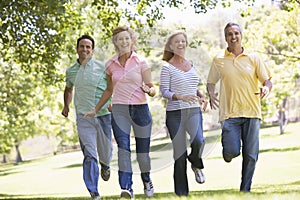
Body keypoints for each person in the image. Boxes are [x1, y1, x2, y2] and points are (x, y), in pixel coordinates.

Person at [84, 26, 156, 199]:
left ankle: (147, 179)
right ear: (115, 43)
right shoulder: (110, 65)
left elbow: (153, 88)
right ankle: (126, 188)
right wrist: (96, 108)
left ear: (131, 41)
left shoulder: (141, 62)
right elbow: (109, 90)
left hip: (140, 109)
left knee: (142, 153)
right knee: (123, 149)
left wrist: (149, 90)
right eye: (120, 39)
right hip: (119, 110)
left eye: (126, 38)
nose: (124, 42)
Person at [206, 22, 272, 192]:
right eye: (229, 34)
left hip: (251, 111)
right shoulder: (219, 60)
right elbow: (211, 82)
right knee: (232, 151)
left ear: (241, 36)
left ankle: (245, 190)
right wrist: (211, 93)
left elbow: (267, 80)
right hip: (229, 115)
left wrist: (266, 87)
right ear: (225, 38)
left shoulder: (254, 58)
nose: (233, 36)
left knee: (251, 155)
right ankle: (227, 154)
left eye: (236, 33)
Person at [61, 35, 113, 200]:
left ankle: (105, 165)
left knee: (106, 153)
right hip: (84, 118)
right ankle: (94, 191)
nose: (84, 49)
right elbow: (68, 90)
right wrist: (66, 105)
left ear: (92, 50)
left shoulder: (102, 67)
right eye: (82, 46)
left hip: (104, 115)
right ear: (77, 49)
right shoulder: (71, 71)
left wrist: (112, 103)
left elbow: (112, 88)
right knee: (90, 154)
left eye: (88, 47)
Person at [160, 30, 208, 196]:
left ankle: (195, 162)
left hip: (193, 110)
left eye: (183, 41)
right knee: (179, 155)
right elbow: (164, 91)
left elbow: (192, 86)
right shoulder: (167, 67)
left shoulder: (191, 64)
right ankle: (182, 194)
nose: (180, 44)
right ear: (171, 46)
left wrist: (201, 96)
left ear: (186, 44)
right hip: (175, 114)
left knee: (199, 140)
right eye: (176, 42)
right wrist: (179, 96)